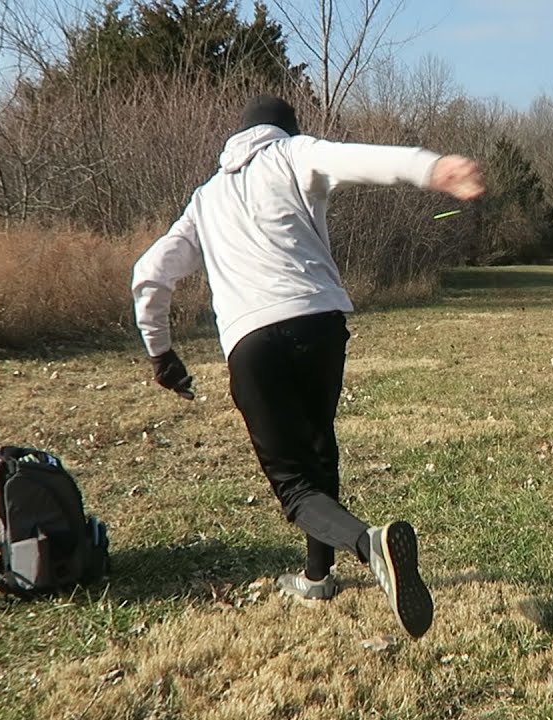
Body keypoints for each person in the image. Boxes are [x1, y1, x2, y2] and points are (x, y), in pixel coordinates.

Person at [130, 95, 485, 638]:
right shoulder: (294, 154)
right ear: (286, 130)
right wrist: (430, 168)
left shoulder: (205, 199)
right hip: (321, 325)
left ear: (238, 137)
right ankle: (317, 576)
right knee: (320, 443)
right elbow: (356, 159)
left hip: (253, 341)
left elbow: (151, 273)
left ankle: (369, 545)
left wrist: (161, 350)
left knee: (294, 484)